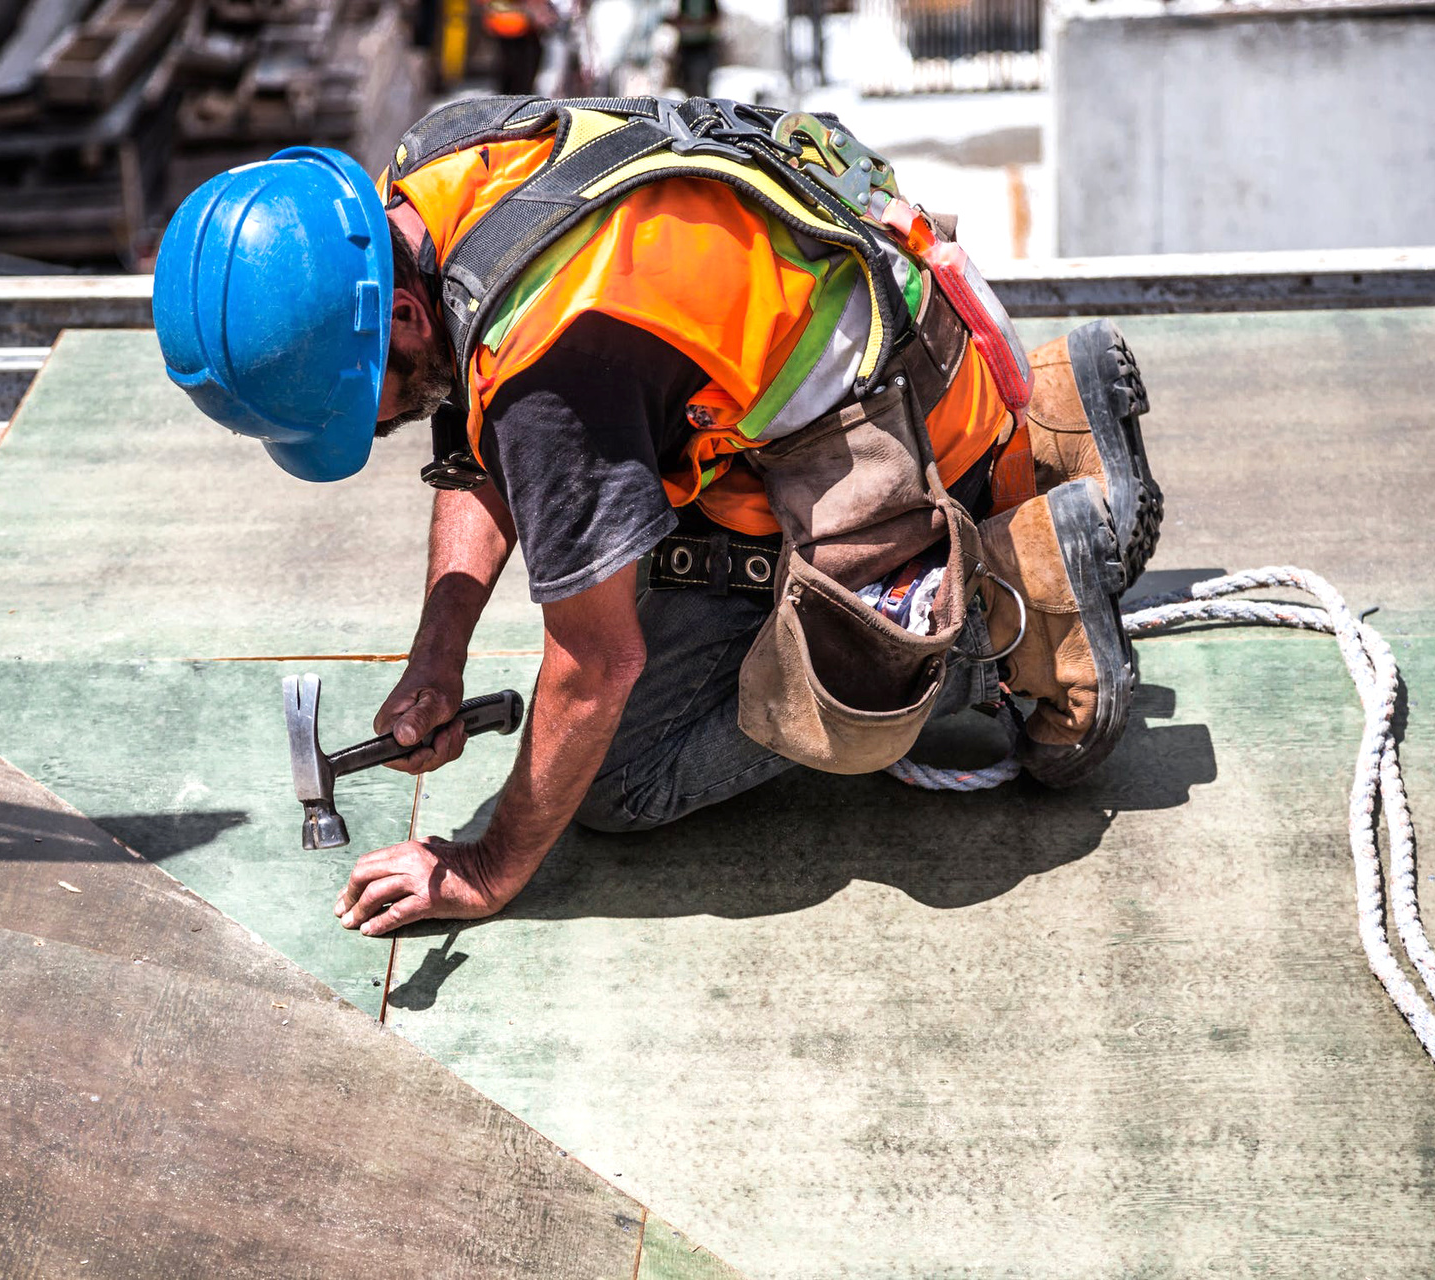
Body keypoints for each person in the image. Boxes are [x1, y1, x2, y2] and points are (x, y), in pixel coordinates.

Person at [152, 96, 1162, 938]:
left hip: (888, 444)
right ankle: (1050, 422)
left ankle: (1014, 600)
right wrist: (438, 654)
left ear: (403, 317)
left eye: (355, 407)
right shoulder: (441, 170)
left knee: (624, 776)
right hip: (908, 340)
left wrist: (487, 865)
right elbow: (477, 434)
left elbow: (597, 665)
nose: (369, 432)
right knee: (610, 546)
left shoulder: (553, 365)